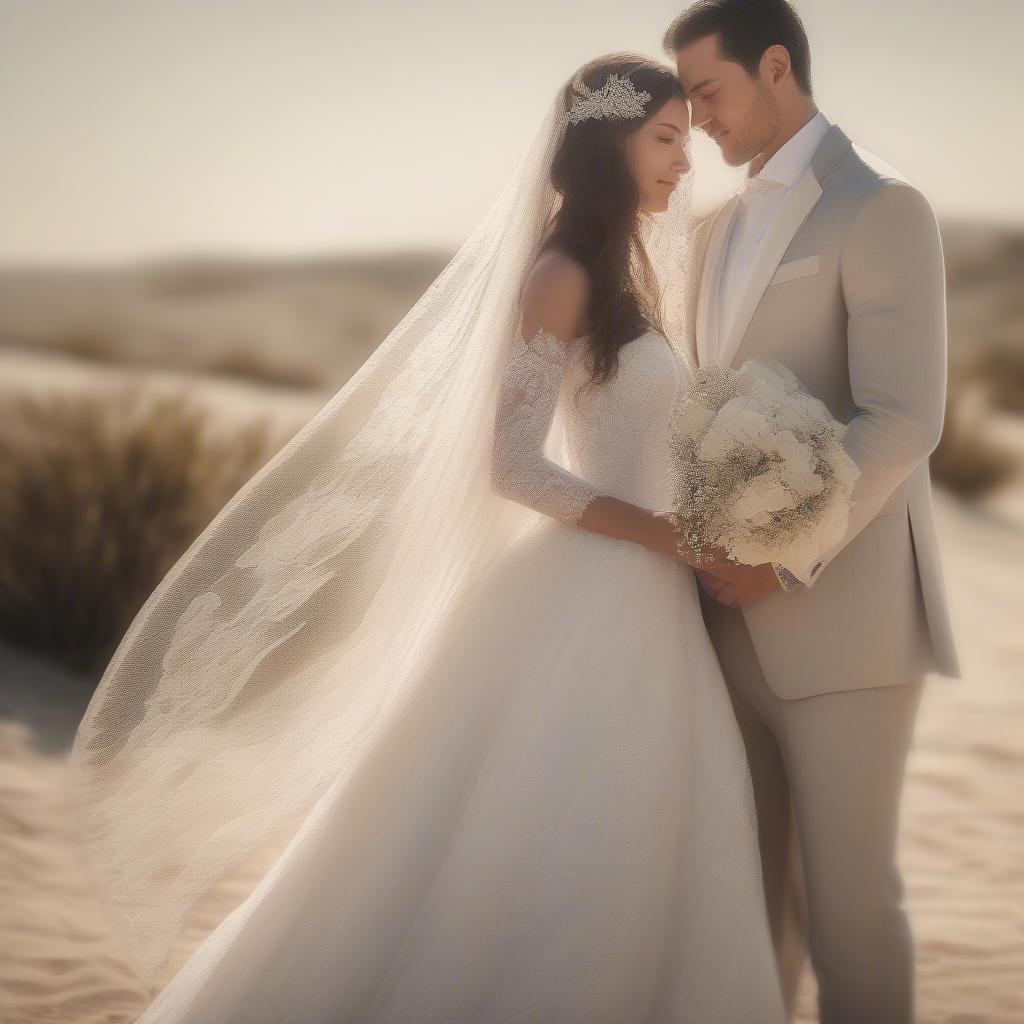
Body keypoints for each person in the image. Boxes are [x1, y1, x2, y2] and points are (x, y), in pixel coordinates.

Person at [66, 54, 787, 1022]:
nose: (684, 162)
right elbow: (513, 464)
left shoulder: (626, 276)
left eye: (687, 141)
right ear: (605, 145)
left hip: (651, 596)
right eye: (664, 139)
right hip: (591, 595)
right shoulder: (562, 274)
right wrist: (673, 537)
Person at [664, 2, 962, 1022]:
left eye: (706, 89)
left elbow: (903, 415)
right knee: (746, 913)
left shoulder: (881, 207)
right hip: (718, 623)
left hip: (846, 624)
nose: (694, 116)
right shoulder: (710, 230)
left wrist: (787, 560)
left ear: (777, 65)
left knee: (846, 912)